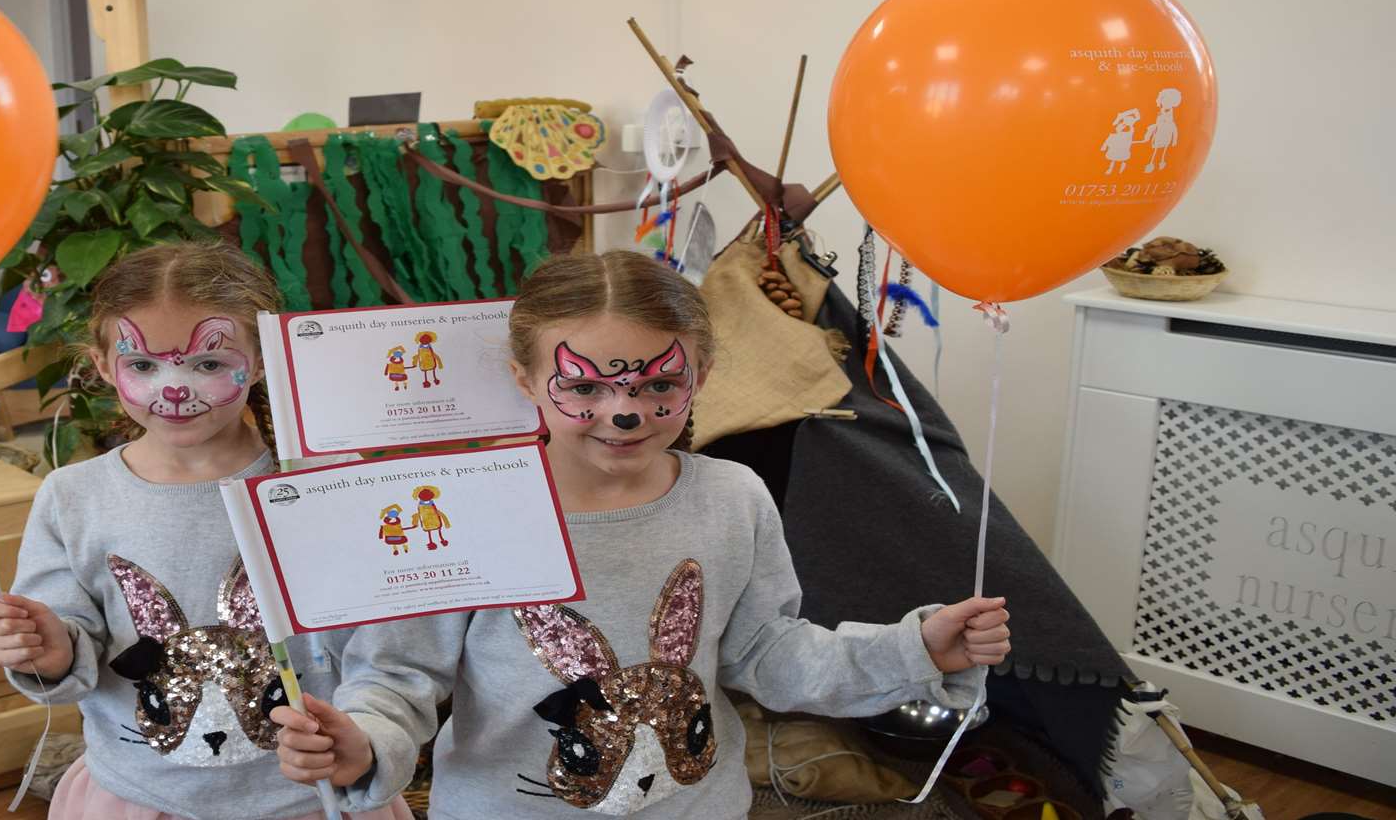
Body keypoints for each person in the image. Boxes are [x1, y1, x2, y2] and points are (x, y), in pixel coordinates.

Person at [273, 250, 1011, 818]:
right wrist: (363, 741)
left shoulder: (732, 497)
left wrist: (912, 649)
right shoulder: (468, 508)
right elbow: (401, 676)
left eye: (657, 384)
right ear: (526, 380)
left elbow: (770, 653)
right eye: (585, 386)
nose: (623, 412)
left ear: (703, 373)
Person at [0, 242, 411, 820]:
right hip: (138, 796)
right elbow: (66, 648)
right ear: (105, 365)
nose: (174, 390)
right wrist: (52, 649)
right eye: (143, 365)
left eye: (208, 364)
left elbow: (388, 649)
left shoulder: (335, 483)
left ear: (259, 360)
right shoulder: (72, 497)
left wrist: (369, 736)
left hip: (309, 799)